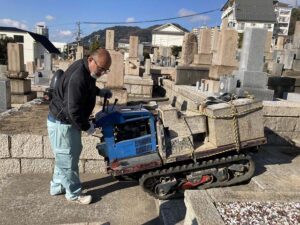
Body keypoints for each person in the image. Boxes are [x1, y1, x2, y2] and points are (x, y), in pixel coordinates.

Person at [47, 48, 112, 204]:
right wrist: (86, 127)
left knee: (68, 156)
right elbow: (72, 110)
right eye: (101, 68)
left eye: (105, 70)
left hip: (68, 123)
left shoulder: (86, 71)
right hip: (62, 123)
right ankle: (74, 194)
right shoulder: (78, 76)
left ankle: (56, 186)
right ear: (91, 60)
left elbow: (86, 88)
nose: (102, 72)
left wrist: (99, 92)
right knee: (67, 159)